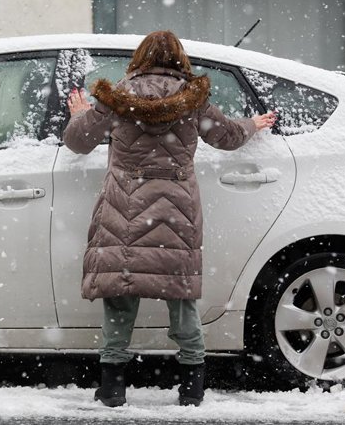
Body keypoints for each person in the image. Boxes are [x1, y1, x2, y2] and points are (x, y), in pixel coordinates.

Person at [63, 30, 276, 407]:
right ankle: (192, 387)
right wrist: (253, 125)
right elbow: (225, 136)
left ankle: (112, 387)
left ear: (140, 58)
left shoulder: (116, 97)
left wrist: (80, 113)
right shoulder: (193, 100)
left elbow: (79, 142)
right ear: (180, 60)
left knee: (120, 295)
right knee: (181, 295)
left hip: (124, 208)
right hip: (176, 209)